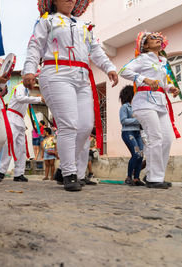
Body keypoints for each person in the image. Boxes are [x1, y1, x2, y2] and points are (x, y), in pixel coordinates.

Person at [23, 0, 118, 192]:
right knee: (69, 124)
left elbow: (96, 50)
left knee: (84, 126)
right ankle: (69, 173)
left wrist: (109, 68)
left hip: (82, 77)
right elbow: (35, 46)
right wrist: (29, 70)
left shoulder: (84, 26)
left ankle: (64, 168)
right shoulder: (47, 21)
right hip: (56, 74)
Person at [120, 32, 180, 189]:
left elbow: (161, 82)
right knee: (156, 137)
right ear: (145, 46)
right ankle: (154, 178)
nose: (158, 40)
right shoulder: (142, 59)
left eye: (159, 38)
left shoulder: (163, 61)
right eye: (153, 39)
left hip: (161, 103)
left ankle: (154, 174)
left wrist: (170, 88)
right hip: (144, 103)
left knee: (167, 138)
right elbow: (124, 71)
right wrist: (143, 79)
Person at [0, 82, 44, 182]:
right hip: (12, 118)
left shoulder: (26, 90)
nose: (34, 81)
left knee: (21, 147)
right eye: (32, 79)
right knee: (9, 145)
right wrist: (38, 99)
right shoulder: (20, 87)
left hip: (19, 119)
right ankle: (1, 172)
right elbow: (19, 98)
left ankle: (19, 173)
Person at [119, 85, 145, 186]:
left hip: (137, 133)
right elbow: (123, 120)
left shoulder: (136, 107)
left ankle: (136, 178)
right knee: (136, 154)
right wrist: (138, 120)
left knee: (141, 155)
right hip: (128, 133)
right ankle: (129, 177)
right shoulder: (125, 107)